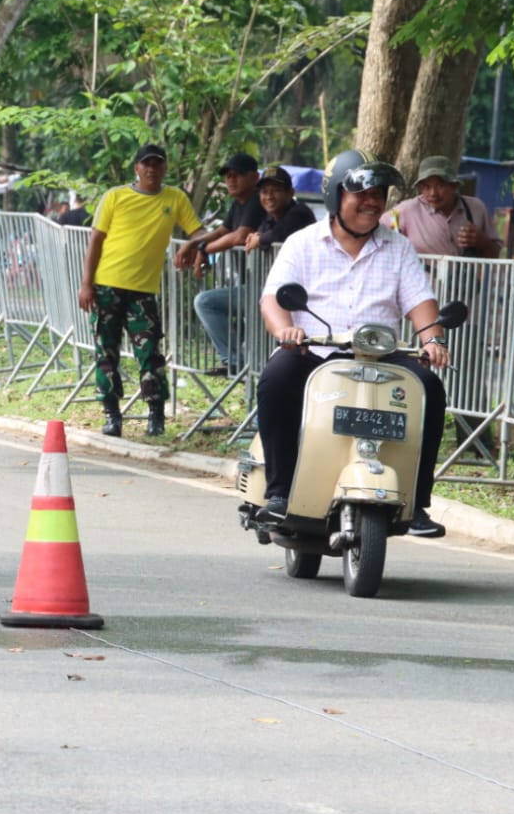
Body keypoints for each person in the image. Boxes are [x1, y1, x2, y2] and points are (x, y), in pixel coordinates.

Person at [255, 150, 450, 538]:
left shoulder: (398, 247)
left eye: (378, 193)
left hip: (380, 356)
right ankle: (279, 493)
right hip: (313, 351)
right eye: (361, 193)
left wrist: (432, 340)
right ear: (335, 195)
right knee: (276, 379)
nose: (372, 201)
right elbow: (273, 298)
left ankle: (417, 503)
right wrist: (285, 331)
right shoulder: (302, 243)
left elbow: (421, 303)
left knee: (429, 387)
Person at [77, 143, 210, 437]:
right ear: (136, 168)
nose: (152, 169)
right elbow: (95, 241)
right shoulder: (115, 196)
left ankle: (156, 416)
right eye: (146, 164)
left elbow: (199, 232)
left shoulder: (175, 198)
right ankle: (112, 415)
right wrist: (86, 284)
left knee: (149, 353)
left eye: (157, 163)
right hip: (107, 286)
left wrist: (196, 245)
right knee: (106, 352)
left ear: (165, 168)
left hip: (143, 291)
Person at [182, 153, 267, 375]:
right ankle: (236, 361)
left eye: (237, 175)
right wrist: (194, 244)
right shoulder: (239, 203)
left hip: (266, 289)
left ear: (255, 177)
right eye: (228, 176)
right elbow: (221, 231)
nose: (231, 180)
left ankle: (235, 361)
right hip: (253, 285)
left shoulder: (257, 200)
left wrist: (203, 250)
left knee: (206, 302)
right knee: (208, 303)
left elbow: (240, 236)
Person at [394, 155, 501, 259]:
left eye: (440, 186)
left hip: (467, 272)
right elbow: (384, 231)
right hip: (423, 271)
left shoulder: (476, 208)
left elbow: (496, 255)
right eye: (426, 187)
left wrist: (482, 241)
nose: (433, 193)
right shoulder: (406, 210)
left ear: (454, 186)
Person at [242, 165, 317, 253]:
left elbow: (278, 234)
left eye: (276, 190)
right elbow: (263, 234)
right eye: (264, 192)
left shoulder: (300, 213)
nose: (269, 197)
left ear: (290, 193)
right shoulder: (270, 217)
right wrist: (255, 238)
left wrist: (259, 240)